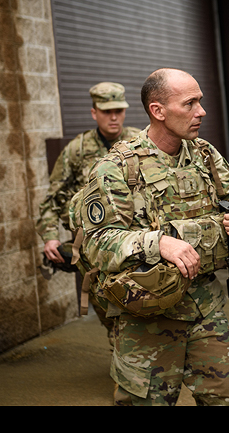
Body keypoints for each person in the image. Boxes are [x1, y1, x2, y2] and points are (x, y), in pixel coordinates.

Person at [74, 68, 229, 406]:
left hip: (206, 306)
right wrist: (156, 242)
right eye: (189, 104)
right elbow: (97, 240)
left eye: (200, 102)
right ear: (158, 111)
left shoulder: (204, 155)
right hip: (148, 317)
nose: (201, 112)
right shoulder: (117, 167)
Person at [36, 82, 139, 335]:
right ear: (94, 113)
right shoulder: (77, 150)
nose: (113, 117)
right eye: (106, 111)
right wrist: (50, 237)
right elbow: (53, 197)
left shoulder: (140, 142)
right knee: (107, 312)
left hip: (135, 242)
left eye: (118, 110)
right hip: (92, 249)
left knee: (141, 307)